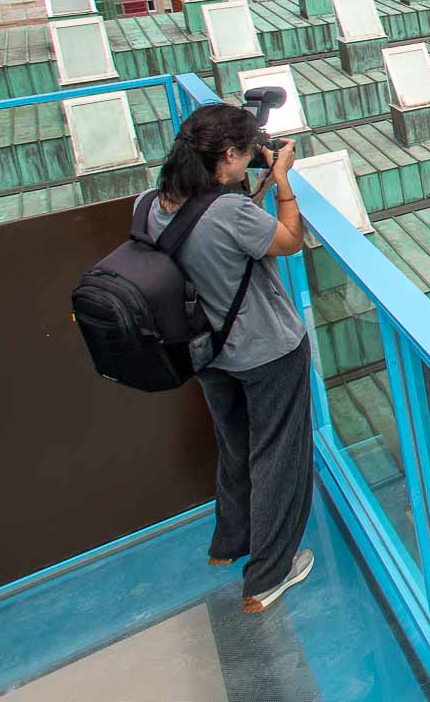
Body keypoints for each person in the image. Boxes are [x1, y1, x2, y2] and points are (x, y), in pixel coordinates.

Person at [144, 103, 315, 614]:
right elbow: (286, 240)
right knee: (279, 456)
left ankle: (230, 543)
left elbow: (221, 230)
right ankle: (269, 575)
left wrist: (251, 187)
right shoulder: (228, 211)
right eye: (245, 155)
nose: (250, 163)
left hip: (206, 352)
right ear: (226, 157)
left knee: (236, 445)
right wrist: (281, 179)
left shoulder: (153, 205)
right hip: (266, 350)